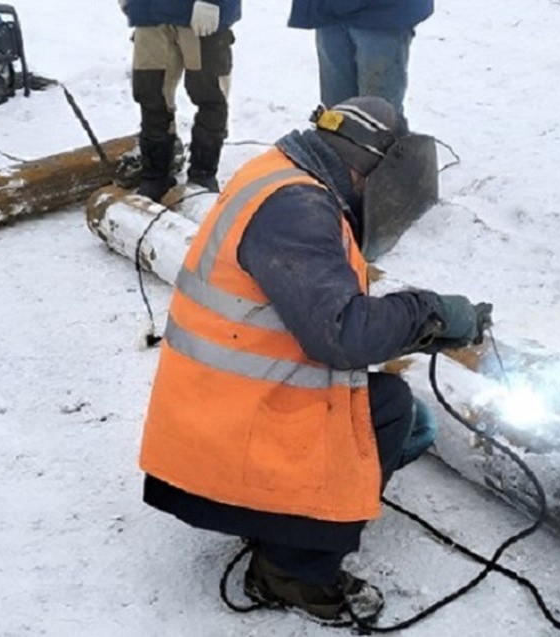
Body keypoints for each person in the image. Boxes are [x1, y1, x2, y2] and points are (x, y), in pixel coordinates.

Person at [138, 96, 492, 623]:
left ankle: (274, 518)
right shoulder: (296, 211)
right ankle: (291, 569)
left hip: (212, 421)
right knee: (390, 410)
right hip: (225, 444)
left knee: (407, 422)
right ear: (362, 168)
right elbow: (342, 335)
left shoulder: (279, 174)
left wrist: (411, 327)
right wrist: (430, 314)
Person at [119, 0, 241, 202]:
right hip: (151, 14)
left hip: (202, 14)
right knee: (151, 93)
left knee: (210, 95)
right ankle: (155, 176)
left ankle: (203, 175)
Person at [287, 0, 433, 121]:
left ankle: (383, 152)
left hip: (384, 13)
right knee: (336, 108)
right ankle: (337, 149)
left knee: (378, 111)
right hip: (330, 11)